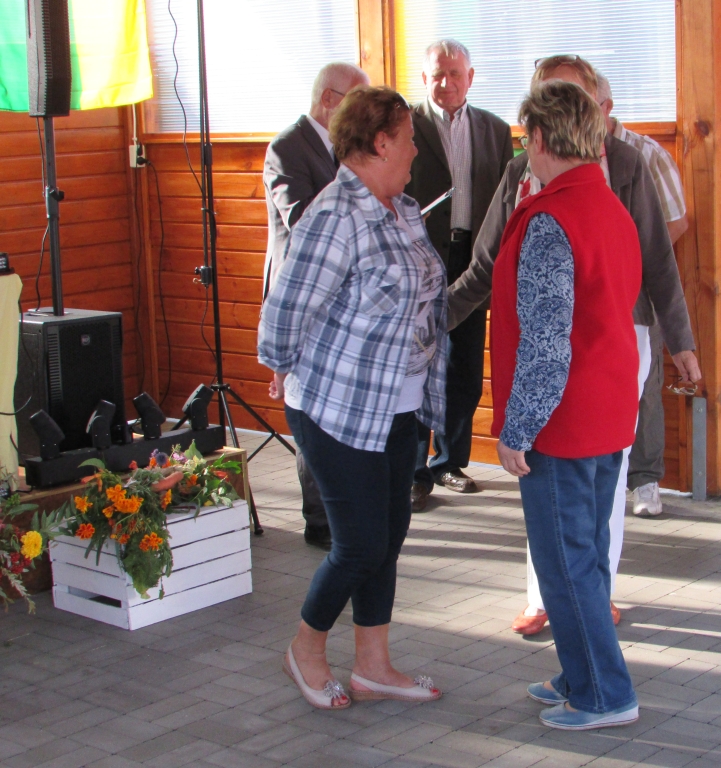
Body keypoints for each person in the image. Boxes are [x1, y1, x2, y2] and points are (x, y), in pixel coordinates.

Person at [447, 55, 702, 636]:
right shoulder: (520, 171)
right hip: (544, 346)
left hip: (612, 341)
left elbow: (657, 259)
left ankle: (592, 600)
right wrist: (434, 319)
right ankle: (549, 600)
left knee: (593, 484)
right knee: (545, 480)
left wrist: (680, 340)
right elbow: (485, 264)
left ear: (592, 109)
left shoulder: (628, 164)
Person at [258, 86, 446, 710]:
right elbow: (284, 310)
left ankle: (373, 665)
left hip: (397, 403)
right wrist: (281, 365)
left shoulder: (402, 208)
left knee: (387, 538)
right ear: (381, 142)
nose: (416, 150)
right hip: (336, 406)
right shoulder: (336, 214)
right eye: (409, 138)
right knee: (360, 544)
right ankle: (305, 648)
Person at [493, 79, 642, 730]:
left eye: (526, 138)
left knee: (564, 564)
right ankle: (579, 673)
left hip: (564, 422)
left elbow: (547, 343)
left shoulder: (552, 219)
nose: (524, 149)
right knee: (586, 555)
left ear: (541, 138)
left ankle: (605, 695)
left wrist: (517, 428)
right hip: (607, 411)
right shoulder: (609, 208)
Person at [262, 62, 370, 550]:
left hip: (346, 297)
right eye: (355, 102)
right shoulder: (287, 148)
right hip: (304, 298)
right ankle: (319, 521)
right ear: (329, 100)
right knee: (310, 407)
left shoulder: (346, 148)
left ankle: (346, 509)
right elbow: (302, 218)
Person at [405, 40, 514, 512]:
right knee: (416, 366)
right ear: (423, 78)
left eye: (455, 73)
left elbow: (506, 199)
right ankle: (412, 471)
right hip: (421, 259)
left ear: (471, 77)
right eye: (437, 74)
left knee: (464, 369)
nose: (446, 82)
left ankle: (449, 461)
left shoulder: (495, 129)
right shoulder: (404, 123)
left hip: (475, 260)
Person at [596, 71, 689, 519]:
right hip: (591, 295)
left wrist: (629, 261)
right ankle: (604, 478)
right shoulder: (558, 155)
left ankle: (646, 479)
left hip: (637, 291)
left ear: (606, 107)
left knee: (645, 385)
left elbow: (676, 222)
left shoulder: (645, 154)